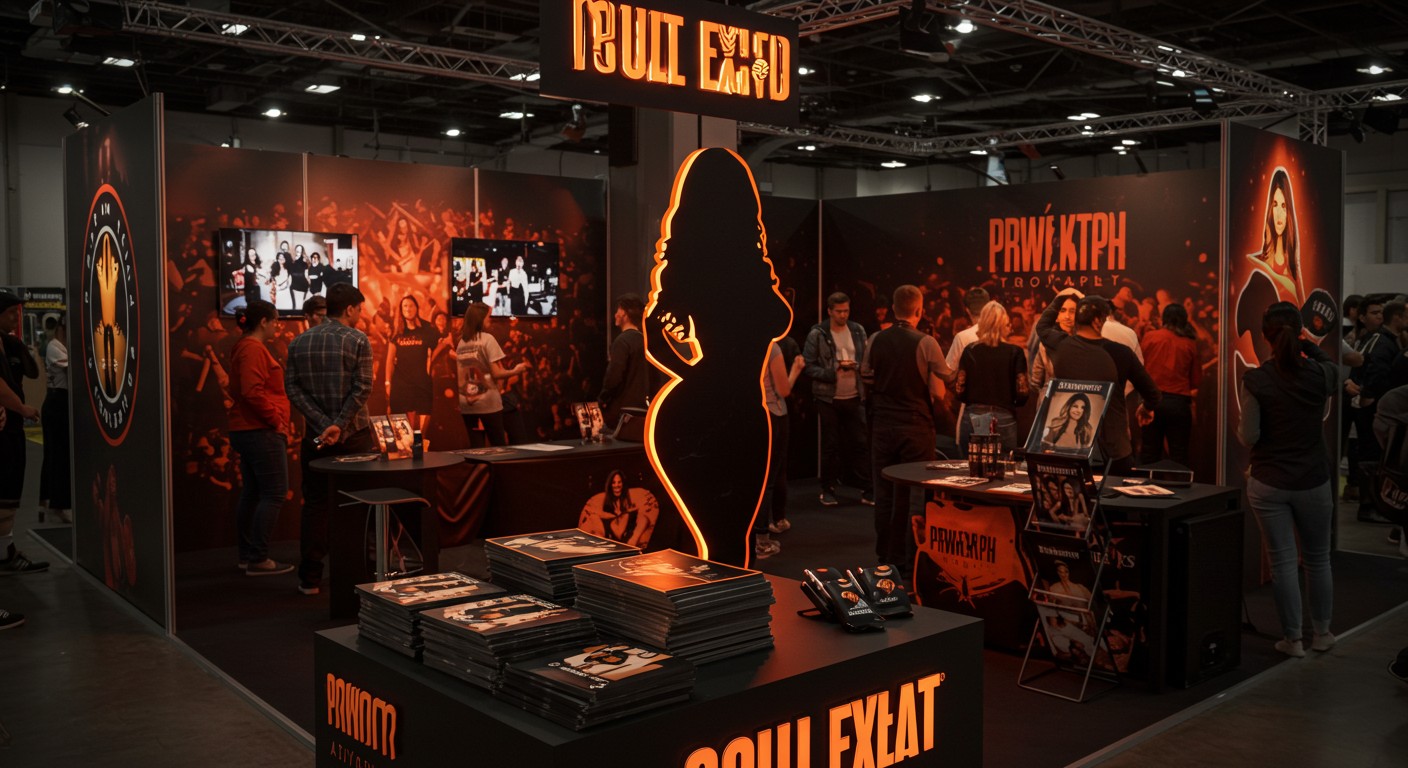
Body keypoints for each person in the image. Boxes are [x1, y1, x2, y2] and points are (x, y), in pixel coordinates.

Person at [1237, 302, 1337, 658]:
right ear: (1300, 334)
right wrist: (1309, 345)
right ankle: (1322, 634)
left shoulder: (1256, 379)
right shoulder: (1319, 376)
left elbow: (1249, 436)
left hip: (1269, 481)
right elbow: (1333, 367)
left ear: (1266, 337)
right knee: (1318, 560)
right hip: (1313, 479)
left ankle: (1292, 640)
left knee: (1282, 563)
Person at [285, 283, 377, 595]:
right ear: (350, 309)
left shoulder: (298, 342)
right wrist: (338, 425)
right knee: (359, 503)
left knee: (315, 505)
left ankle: (309, 578)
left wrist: (323, 424)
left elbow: (292, 388)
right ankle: (356, 576)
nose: (361, 315)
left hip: (316, 437)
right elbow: (363, 388)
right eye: (359, 309)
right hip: (355, 436)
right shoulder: (358, 339)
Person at [862, 284, 955, 566]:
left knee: (884, 492)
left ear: (893, 309)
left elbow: (865, 375)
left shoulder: (875, 339)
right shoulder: (926, 342)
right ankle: (910, 557)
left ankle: (885, 555)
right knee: (916, 491)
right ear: (919, 310)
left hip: (882, 425)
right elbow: (947, 377)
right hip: (915, 426)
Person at [1035, 291, 1160, 474]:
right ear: (1098, 321)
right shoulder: (1121, 353)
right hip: (1114, 447)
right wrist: (1147, 408)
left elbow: (1042, 327)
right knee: (1116, 490)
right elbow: (1152, 393)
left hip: (1070, 444)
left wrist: (1059, 300)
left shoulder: (1061, 345)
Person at [226, 299, 296, 578]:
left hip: (249, 429)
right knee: (274, 493)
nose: (277, 325)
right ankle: (257, 558)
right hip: (259, 431)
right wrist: (276, 419)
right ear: (264, 321)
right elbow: (251, 391)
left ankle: (248, 556)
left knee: (253, 493)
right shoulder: (253, 349)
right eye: (275, 320)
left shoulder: (244, 348)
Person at [803, 292, 873, 507]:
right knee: (831, 445)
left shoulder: (857, 330)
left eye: (846, 311)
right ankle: (828, 488)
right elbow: (808, 365)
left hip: (854, 394)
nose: (843, 315)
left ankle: (867, 488)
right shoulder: (818, 333)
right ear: (830, 311)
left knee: (861, 442)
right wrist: (832, 371)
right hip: (828, 397)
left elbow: (866, 358)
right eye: (839, 311)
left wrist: (858, 367)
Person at [0, 290, 48, 600]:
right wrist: (22, 408)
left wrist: (20, 347)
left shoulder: (9, 344)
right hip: (8, 425)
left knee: (10, 493)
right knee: (4, 492)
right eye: (10, 314)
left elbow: (31, 372)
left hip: (12, 427)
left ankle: (6, 551)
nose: (15, 319)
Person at [1352, 300, 1405, 521]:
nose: (1379, 316)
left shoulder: (1386, 340)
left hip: (1381, 409)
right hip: (1377, 410)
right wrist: (1368, 396)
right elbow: (1375, 369)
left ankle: (1375, 505)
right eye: (1375, 312)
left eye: (1380, 312)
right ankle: (1369, 506)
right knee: (1372, 455)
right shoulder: (1382, 342)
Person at [954, 300, 1029, 451]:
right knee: (1003, 464)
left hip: (974, 416)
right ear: (1003, 324)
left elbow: (959, 391)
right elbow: (1022, 393)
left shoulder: (970, 350)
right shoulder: (1015, 352)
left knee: (972, 463)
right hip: (1004, 416)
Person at [755, 340, 805, 558]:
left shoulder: (743, 344)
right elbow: (784, 390)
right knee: (768, 479)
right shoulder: (771, 348)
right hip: (773, 414)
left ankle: (755, 534)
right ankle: (761, 539)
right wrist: (796, 370)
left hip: (752, 414)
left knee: (757, 477)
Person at [456, 301, 529, 446]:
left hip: (467, 403)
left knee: (476, 449)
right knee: (498, 446)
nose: (489, 320)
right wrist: (517, 370)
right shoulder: (487, 339)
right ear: (480, 319)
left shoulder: (461, 343)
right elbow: (496, 373)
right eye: (488, 316)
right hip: (488, 402)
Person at [1139, 303, 1201, 467]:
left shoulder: (1150, 337)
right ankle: (1178, 483)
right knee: (1179, 455)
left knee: (1149, 453)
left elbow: (1140, 369)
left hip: (1152, 401)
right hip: (1179, 403)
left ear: (1163, 319)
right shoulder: (1189, 344)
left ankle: (1147, 483)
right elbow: (1195, 381)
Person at [385, 294, 438, 432]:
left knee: (420, 430)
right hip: (401, 384)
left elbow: (437, 350)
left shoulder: (426, 328)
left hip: (421, 383)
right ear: (401, 310)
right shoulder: (397, 330)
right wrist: (387, 382)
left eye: (411, 306)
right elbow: (390, 360)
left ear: (416, 308)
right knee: (403, 431)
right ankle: (407, 445)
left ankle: (420, 445)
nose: (408, 309)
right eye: (405, 306)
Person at [598, 293, 649, 427]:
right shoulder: (646, 342)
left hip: (623, 411)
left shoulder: (622, 342)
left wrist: (603, 398)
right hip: (644, 409)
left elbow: (614, 375)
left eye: (618, 311)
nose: (615, 315)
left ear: (625, 314)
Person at [40, 316, 72, 524]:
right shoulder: (54, 346)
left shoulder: (63, 346)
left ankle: (49, 500)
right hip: (57, 402)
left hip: (62, 402)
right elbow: (72, 369)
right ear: (62, 328)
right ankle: (58, 503)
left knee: (59, 454)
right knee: (58, 454)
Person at [577, 470, 659, 548]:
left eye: (619, 482)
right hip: (608, 541)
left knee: (643, 519)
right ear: (609, 485)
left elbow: (644, 518)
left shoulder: (631, 503)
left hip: (630, 539)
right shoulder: (602, 506)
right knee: (593, 519)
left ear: (623, 484)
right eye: (613, 482)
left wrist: (634, 539)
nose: (617, 485)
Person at [288, 244, 310, 309]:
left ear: (302, 252)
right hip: (293, 286)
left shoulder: (304, 263)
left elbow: (306, 275)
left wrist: (309, 284)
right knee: (294, 307)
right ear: (295, 250)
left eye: (300, 250)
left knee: (301, 306)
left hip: (303, 286)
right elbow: (289, 275)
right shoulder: (291, 262)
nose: (298, 251)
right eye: (297, 250)